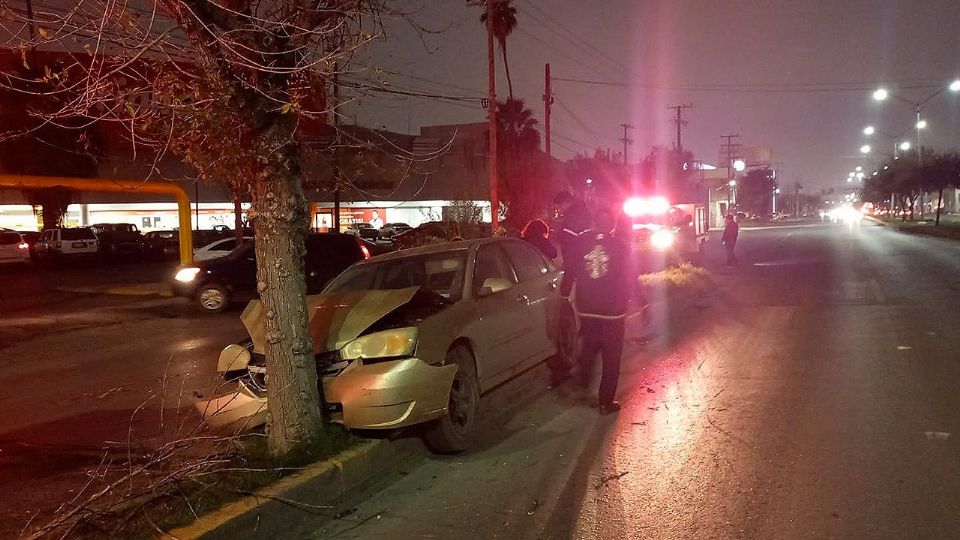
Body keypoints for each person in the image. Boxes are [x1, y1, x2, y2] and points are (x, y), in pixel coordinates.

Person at [560, 210, 631, 414]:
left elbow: (570, 269)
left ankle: (582, 384)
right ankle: (605, 402)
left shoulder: (580, 243)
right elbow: (629, 276)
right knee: (611, 357)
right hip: (612, 312)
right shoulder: (621, 246)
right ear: (612, 226)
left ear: (594, 223)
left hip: (587, 308)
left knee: (589, 347)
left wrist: (564, 295)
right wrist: (632, 300)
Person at [553, 191, 591, 263]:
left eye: (558, 207)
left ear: (564, 203)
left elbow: (569, 241)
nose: (557, 211)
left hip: (576, 260)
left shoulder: (572, 218)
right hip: (586, 257)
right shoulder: (583, 212)